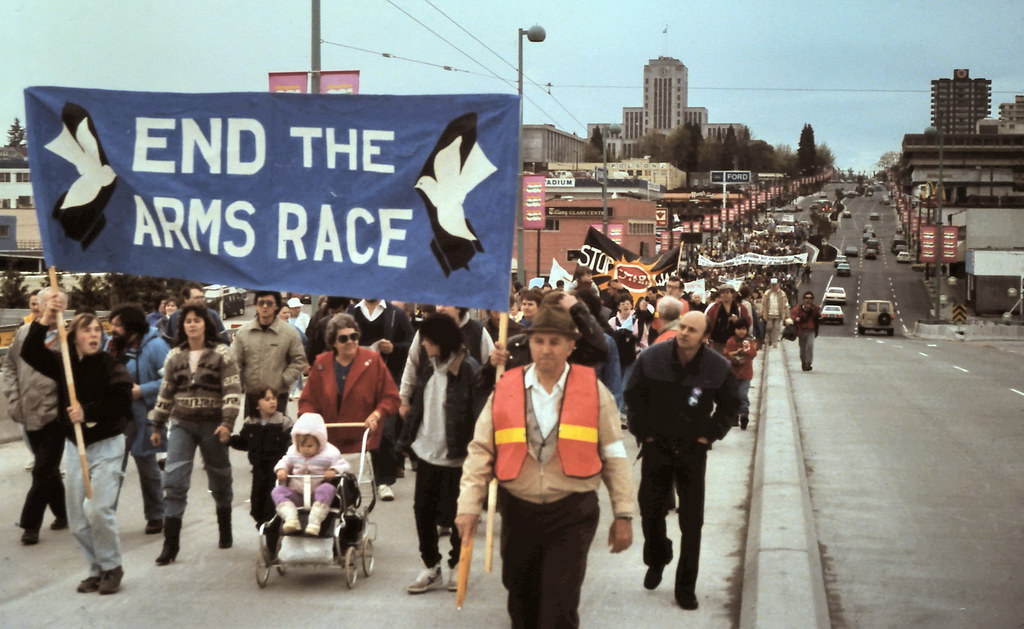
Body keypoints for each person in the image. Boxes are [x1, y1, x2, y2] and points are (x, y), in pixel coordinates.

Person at [455, 306, 635, 628]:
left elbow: (614, 454)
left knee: (559, 605)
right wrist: (468, 506)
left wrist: (623, 514)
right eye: (539, 341)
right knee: (520, 600)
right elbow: (481, 450)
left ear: (571, 346)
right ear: (529, 343)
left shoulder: (594, 391)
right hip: (518, 511)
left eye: (555, 341)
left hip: (572, 512)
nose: (546, 349)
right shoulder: (506, 387)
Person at [624, 310, 739, 611]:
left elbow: (730, 406)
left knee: (692, 521)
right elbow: (633, 398)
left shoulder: (718, 367)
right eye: (682, 327)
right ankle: (658, 556)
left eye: (692, 330)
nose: (685, 333)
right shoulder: (652, 358)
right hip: (656, 445)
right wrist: (644, 433)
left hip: (692, 449)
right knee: (650, 510)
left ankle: (685, 587)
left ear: (705, 337)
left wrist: (710, 434)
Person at [21, 299, 133, 595]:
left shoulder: (112, 366)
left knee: (97, 510)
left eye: (98, 329)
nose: (94, 334)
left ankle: (112, 567)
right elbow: (29, 352)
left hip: (108, 444)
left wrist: (89, 412)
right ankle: (96, 569)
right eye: (87, 330)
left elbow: (122, 402)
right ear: (74, 337)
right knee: (77, 517)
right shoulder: (65, 365)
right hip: (75, 446)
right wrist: (46, 316)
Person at [149, 302, 242, 565]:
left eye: (196, 320)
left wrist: (227, 423)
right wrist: (157, 425)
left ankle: (225, 528)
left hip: (213, 425)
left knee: (220, 477)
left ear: (206, 324)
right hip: (182, 424)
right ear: (182, 326)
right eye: (187, 320)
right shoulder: (174, 356)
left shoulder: (222, 354)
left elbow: (232, 391)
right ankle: (171, 545)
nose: (192, 324)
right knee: (174, 481)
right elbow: (166, 393)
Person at [398, 313, 485, 594]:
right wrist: (407, 439)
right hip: (426, 452)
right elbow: (420, 406)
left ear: (442, 341)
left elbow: (479, 414)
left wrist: (480, 452)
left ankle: (457, 564)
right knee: (422, 511)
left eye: (428, 340)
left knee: (458, 514)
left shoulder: (469, 370)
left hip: (458, 456)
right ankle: (430, 565)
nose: (423, 344)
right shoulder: (428, 366)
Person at [298, 313, 400, 499]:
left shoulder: (372, 361)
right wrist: (309, 421)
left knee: (359, 500)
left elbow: (391, 397)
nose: (350, 342)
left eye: (354, 336)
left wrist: (377, 414)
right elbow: (307, 402)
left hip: (361, 441)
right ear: (333, 342)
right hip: (328, 444)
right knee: (326, 499)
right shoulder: (322, 364)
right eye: (343, 338)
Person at [2, 287, 68, 545]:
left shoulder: (66, 337)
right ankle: (62, 513)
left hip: (56, 416)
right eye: (50, 304)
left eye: (60, 304)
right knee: (47, 468)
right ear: (39, 307)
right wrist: (14, 398)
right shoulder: (24, 334)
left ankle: (30, 525)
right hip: (27, 412)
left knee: (41, 469)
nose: (55, 308)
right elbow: (9, 366)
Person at [107, 304, 170, 535]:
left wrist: (142, 390)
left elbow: (169, 381)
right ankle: (105, 517)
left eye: (117, 324)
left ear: (131, 327)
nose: (112, 329)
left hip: (144, 417)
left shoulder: (156, 347)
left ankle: (156, 516)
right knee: (112, 468)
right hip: (117, 416)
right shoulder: (112, 346)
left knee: (147, 468)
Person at [272, 412, 349, 536]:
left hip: (317, 495)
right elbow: (285, 461)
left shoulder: (330, 453)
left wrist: (334, 470)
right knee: (278, 491)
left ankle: (315, 521)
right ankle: (291, 518)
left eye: (309, 446)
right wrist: (282, 469)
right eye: (301, 445)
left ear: (320, 442)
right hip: (297, 494)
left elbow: (343, 465)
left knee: (327, 488)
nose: (304, 449)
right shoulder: (293, 451)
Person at [229, 385, 294, 529]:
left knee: (272, 506)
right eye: (267, 399)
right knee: (256, 505)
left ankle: (272, 536)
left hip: (277, 471)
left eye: (274, 398)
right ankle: (264, 527)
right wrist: (229, 440)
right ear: (257, 405)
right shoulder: (250, 422)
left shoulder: (283, 422)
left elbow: (291, 445)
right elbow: (244, 442)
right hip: (258, 470)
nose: (272, 402)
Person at [233, 290, 307, 414]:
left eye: (269, 303)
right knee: (251, 432)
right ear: (256, 306)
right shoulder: (244, 333)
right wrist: (239, 386)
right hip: (253, 396)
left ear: (276, 306)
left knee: (277, 431)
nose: (265, 307)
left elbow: (299, 360)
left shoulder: (289, 333)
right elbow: (235, 362)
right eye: (261, 303)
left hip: (278, 396)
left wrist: (284, 379)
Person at [723, 319, 757, 430]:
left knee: (742, 394)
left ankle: (744, 414)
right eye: (739, 329)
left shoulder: (749, 341)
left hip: (745, 374)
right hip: (733, 374)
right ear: (734, 330)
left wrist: (746, 349)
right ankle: (734, 416)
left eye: (744, 329)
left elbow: (753, 354)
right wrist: (736, 356)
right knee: (733, 395)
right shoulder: (731, 341)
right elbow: (726, 355)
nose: (741, 331)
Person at [704, 284, 752, 354]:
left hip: (735, 342)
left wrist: (738, 321)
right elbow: (707, 322)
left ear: (732, 294)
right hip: (718, 342)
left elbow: (748, 322)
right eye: (722, 293)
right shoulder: (715, 308)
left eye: (727, 292)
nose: (724, 295)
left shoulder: (740, 308)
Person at [791, 291, 821, 371]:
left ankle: (808, 363)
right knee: (802, 348)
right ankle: (803, 362)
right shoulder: (799, 308)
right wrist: (796, 318)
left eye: (810, 298)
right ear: (803, 299)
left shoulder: (815, 308)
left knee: (810, 346)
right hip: (801, 330)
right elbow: (792, 315)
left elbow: (819, 317)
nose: (808, 300)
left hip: (811, 330)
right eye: (806, 298)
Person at [761, 278, 790, 347]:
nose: (774, 286)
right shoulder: (767, 293)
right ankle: (769, 340)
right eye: (772, 285)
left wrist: (787, 314)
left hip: (778, 314)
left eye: (775, 285)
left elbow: (786, 304)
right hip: (769, 314)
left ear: (778, 285)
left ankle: (774, 342)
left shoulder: (782, 294)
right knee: (769, 327)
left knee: (776, 328)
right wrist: (763, 312)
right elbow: (764, 303)